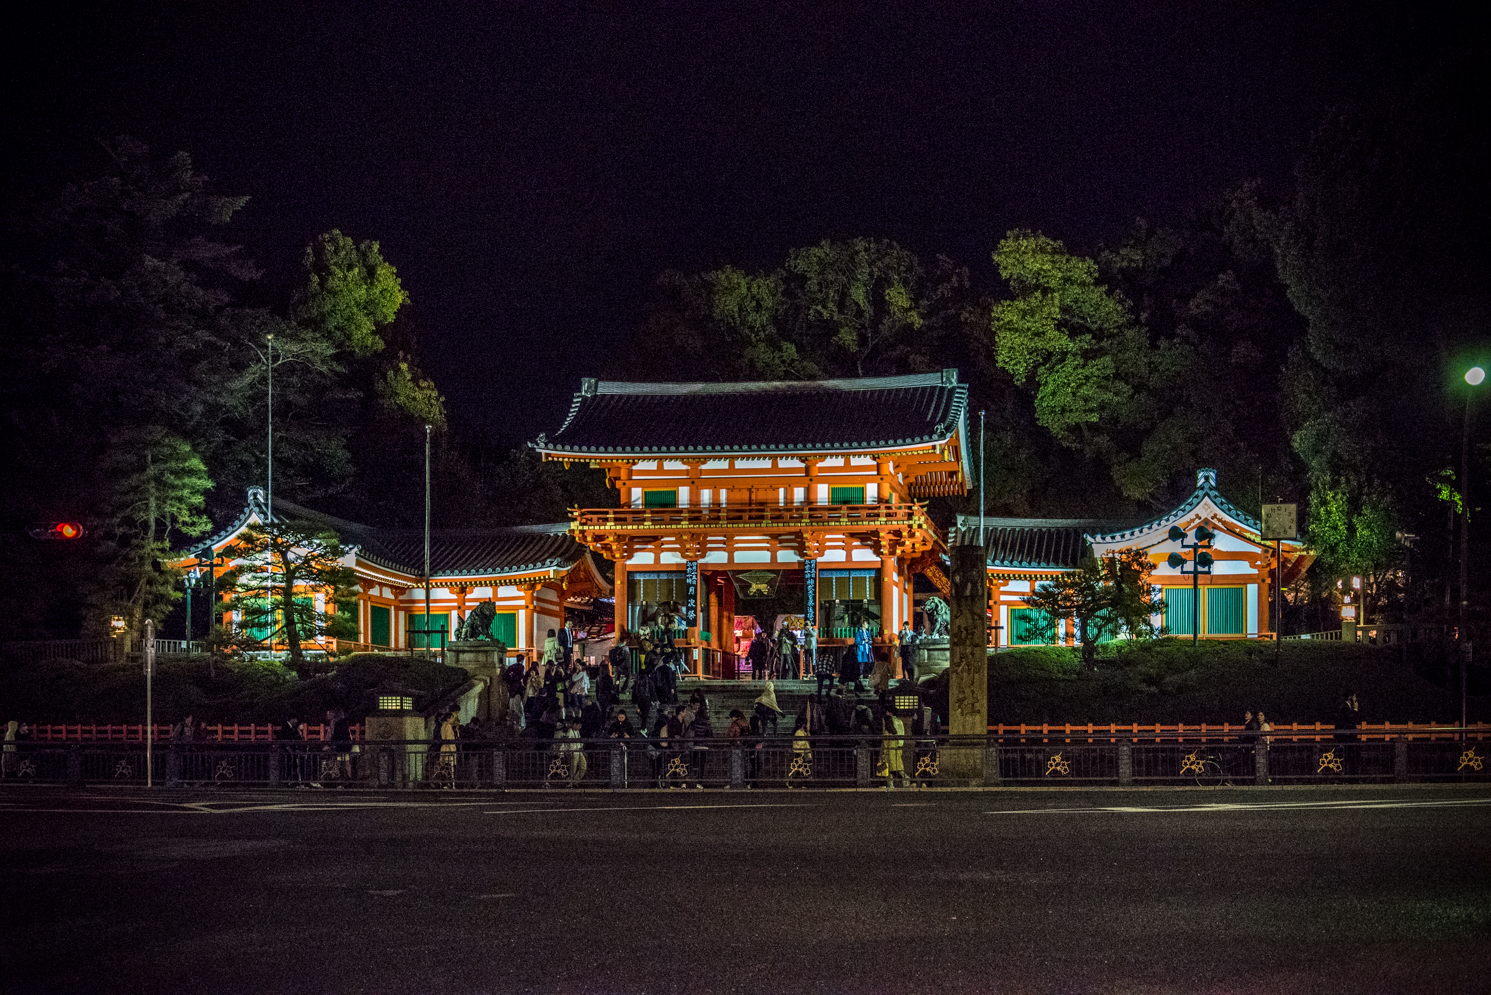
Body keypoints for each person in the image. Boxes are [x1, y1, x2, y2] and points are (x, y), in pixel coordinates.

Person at [879, 710, 907, 787]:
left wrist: (882, 755)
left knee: (888, 770)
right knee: (897, 769)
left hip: (888, 754)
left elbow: (885, 745)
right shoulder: (895, 732)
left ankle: (890, 785)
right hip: (895, 752)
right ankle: (905, 781)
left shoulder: (886, 733)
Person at [853, 622, 872, 691]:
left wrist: (869, 641)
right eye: (866, 624)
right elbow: (857, 641)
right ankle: (860, 675)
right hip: (862, 649)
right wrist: (864, 641)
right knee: (861, 663)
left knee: (867, 663)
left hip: (867, 649)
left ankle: (867, 674)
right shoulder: (858, 633)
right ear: (863, 625)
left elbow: (870, 640)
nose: (867, 625)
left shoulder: (867, 632)